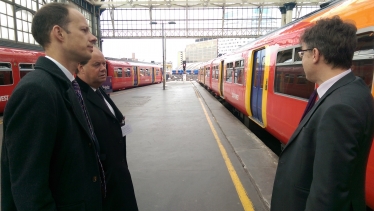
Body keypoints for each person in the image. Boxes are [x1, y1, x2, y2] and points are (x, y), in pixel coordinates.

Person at [1, 3, 103, 211]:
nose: (93, 37)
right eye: (84, 30)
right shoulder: (37, 91)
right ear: (59, 33)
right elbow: (30, 189)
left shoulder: (64, 86)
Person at [271, 16, 374, 211]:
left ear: (315, 54)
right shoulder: (356, 90)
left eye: (302, 54)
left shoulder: (340, 108)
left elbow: (327, 195)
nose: (302, 60)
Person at [75, 47, 138, 210]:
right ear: (80, 67)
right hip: (105, 184)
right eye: (96, 65)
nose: (103, 68)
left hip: (118, 175)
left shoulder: (99, 90)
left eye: (104, 64)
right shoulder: (78, 98)